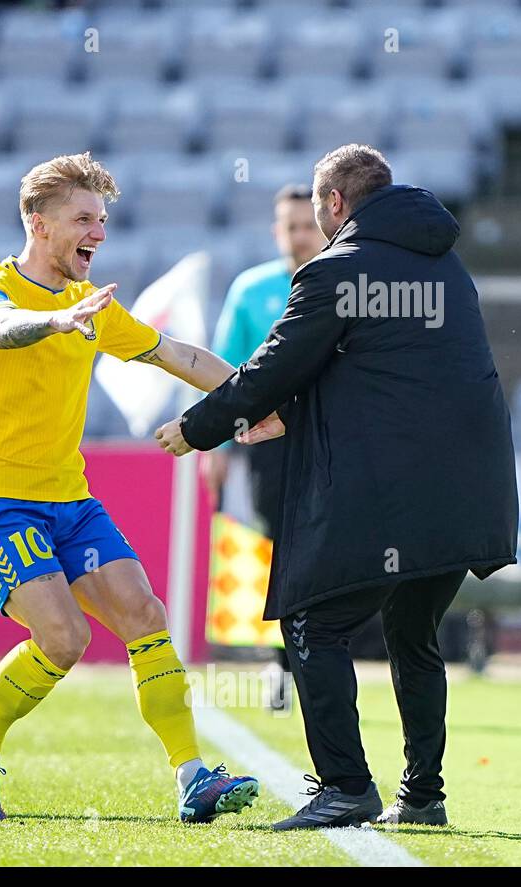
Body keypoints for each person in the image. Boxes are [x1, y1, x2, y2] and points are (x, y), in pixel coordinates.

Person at [155, 144, 519, 829]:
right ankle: (423, 796)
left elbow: (274, 368)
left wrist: (199, 428)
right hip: (475, 482)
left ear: (334, 204)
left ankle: (346, 786)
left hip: (395, 485)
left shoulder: (336, 269)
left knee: (312, 622)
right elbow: (378, 375)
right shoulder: (447, 264)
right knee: (414, 631)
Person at [0, 151, 265, 822]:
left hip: (70, 500)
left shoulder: (93, 307)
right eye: (84, 219)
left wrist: (258, 401)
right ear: (39, 223)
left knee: (146, 617)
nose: (99, 232)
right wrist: (56, 321)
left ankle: (192, 775)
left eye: (104, 219)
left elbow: (181, 356)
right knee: (64, 641)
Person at [204, 183, 325, 710]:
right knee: (276, 550)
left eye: (307, 226)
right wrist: (216, 447)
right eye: (290, 227)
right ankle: (281, 664)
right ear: (277, 231)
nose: (299, 236)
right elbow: (224, 374)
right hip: (268, 445)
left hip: (333, 440)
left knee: (329, 550)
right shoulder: (251, 291)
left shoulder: (344, 286)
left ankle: (323, 661)